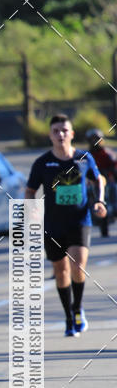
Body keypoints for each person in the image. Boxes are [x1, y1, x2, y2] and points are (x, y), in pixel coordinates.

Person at [25, 114, 106, 337]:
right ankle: (69, 317)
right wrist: (31, 210)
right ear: (50, 136)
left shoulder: (83, 158)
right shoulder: (42, 163)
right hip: (53, 225)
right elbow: (30, 190)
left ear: (71, 134)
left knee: (77, 266)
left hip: (79, 221)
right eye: (55, 131)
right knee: (61, 273)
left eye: (64, 130)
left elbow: (98, 179)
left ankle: (78, 308)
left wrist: (99, 200)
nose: (60, 134)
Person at [85, 128, 117, 236]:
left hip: (108, 181)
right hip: (93, 183)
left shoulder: (108, 153)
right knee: (85, 193)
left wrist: (112, 173)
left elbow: (114, 166)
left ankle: (114, 208)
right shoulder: (86, 155)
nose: (95, 142)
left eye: (97, 139)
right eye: (92, 139)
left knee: (114, 189)